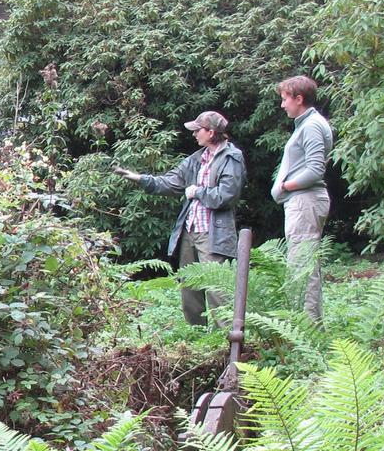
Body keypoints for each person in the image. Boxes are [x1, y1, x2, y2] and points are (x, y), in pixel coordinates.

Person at [113, 110, 245, 326]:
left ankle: (228, 343)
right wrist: (138, 178)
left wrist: (198, 192)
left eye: (197, 130)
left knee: (217, 290)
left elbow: (227, 196)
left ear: (211, 132)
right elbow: (170, 183)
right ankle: (196, 340)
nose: (194, 134)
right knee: (189, 289)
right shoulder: (196, 159)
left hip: (214, 234)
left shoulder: (232, 158)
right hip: (189, 231)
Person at [271, 74, 335, 321]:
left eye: (285, 99)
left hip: (306, 201)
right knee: (304, 264)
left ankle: (306, 326)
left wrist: (286, 185)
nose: (282, 105)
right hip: (303, 201)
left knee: (302, 266)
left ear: (299, 99)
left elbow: (315, 169)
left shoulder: (311, 126)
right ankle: (308, 324)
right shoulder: (308, 124)